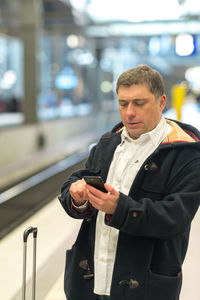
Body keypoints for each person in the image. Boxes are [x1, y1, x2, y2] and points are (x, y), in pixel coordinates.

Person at [58, 64, 200, 300]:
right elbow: (79, 179)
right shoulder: (108, 143)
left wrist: (119, 208)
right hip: (91, 283)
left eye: (139, 103)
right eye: (123, 104)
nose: (129, 112)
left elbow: (175, 217)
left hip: (144, 286)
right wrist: (77, 197)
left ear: (161, 102)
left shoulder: (185, 154)